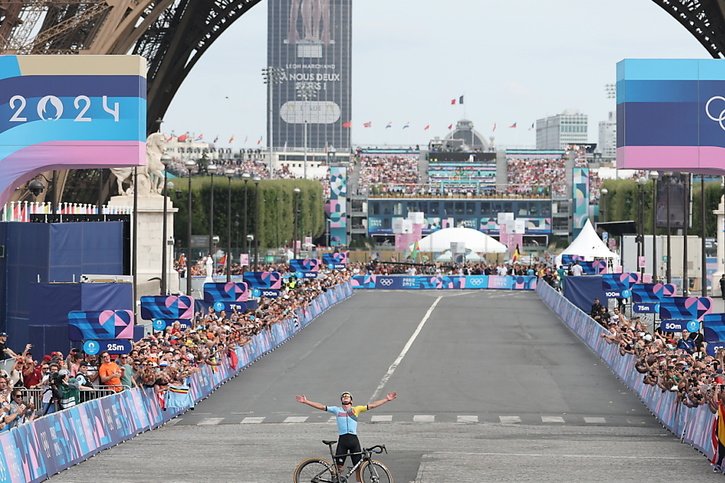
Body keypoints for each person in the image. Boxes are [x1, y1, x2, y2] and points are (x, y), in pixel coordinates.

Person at [296, 391, 397, 482]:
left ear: (351, 401)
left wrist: (386, 399)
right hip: (343, 441)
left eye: (347, 396)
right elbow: (321, 406)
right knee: (339, 468)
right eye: (343, 396)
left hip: (354, 441)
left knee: (359, 468)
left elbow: (372, 405)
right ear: (341, 400)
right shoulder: (337, 410)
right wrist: (306, 401)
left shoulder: (356, 409)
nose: (345, 397)